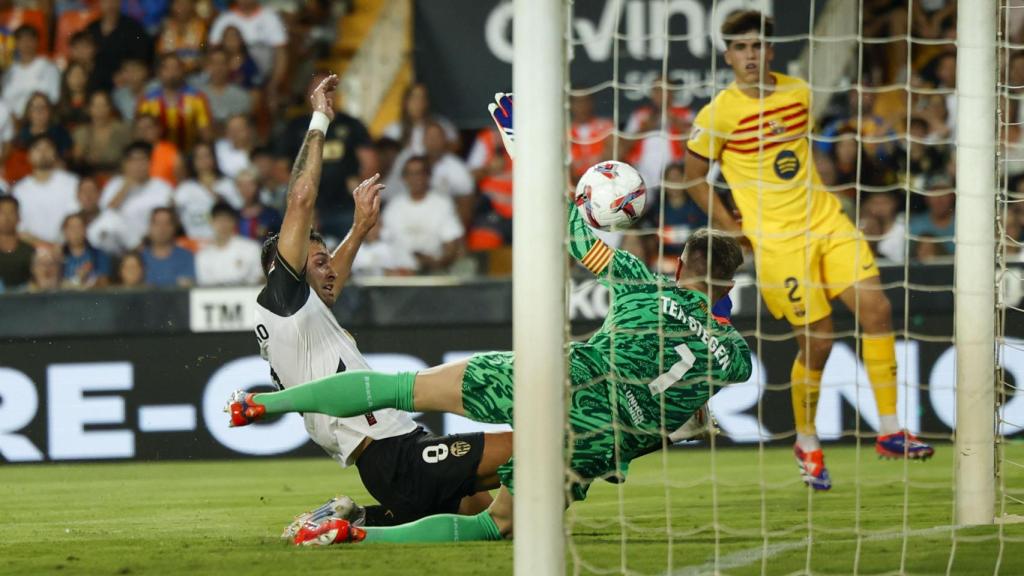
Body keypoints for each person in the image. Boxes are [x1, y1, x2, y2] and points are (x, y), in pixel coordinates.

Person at [227, 136, 750, 547]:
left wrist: (527, 151)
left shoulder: (642, 282)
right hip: (596, 432)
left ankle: (300, 451)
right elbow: (712, 336)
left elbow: (574, 234)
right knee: (500, 521)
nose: (325, 268)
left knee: (401, 388)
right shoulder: (735, 359)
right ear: (729, 287)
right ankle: (358, 526)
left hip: (556, 378)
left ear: (677, 266)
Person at [231, 75, 514, 533]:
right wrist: (320, 118)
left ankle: (356, 518)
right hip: (396, 451)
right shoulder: (281, 296)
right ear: (283, 267)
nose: (329, 270)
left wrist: (360, 228)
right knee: (535, 450)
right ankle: (356, 522)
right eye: (317, 261)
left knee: (499, 521)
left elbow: (331, 279)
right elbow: (301, 198)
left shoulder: (298, 316)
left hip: (391, 459)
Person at [682, 10, 934, 492]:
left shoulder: (798, 92)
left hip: (826, 222)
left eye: (758, 46)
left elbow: (796, 155)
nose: (750, 55)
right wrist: (730, 228)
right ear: (728, 55)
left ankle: (889, 430)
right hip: (778, 243)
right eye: (741, 47)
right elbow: (693, 176)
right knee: (819, 343)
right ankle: (807, 440)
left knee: (878, 310)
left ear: (770, 50)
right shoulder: (718, 115)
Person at [380, 156, 464, 274]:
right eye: (410, 174)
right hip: (399, 275)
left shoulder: (442, 204)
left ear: (428, 176)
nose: (415, 178)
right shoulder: (394, 206)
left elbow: (452, 243)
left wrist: (437, 263)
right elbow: (383, 242)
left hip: (434, 273)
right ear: (404, 178)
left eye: (419, 173)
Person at [91, 141, 174, 253]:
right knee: (107, 221)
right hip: (118, 247)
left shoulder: (163, 187)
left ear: (150, 163)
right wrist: (125, 187)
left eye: (142, 160)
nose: (138, 165)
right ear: (125, 164)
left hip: (150, 244)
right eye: (133, 161)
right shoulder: (115, 184)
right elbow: (106, 213)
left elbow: (170, 220)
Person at [11, 135, 80, 244]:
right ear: (28, 156)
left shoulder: (72, 183)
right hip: (32, 248)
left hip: (67, 247)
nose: (43, 153)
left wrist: (59, 247)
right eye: (37, 149)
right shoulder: (19, 190)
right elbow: (19, 229)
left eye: (48, 148)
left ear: (55, 154)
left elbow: (77, 219)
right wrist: (44, 246)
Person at [137, 54, 212, 151]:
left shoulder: (197, 98)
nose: (172, 72)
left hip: (189, 155)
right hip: (156, 155)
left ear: (183, 71)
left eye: (176, 68)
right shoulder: (147, 100)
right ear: (159, 73)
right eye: (167, 68)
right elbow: (139, 133)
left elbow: (206, 133)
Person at [174, 141, 241, 240]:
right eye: (199, 157)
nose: (203, 161)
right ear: (193, 162)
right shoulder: (185, 188)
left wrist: (223, 201)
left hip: (224, 241)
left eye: (207, 156)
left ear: (214, 158)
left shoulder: (228, 184)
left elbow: (239, 211)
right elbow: (175, 217)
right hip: (194, 242)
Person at [87, 0, 154, 91]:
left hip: (124, 85)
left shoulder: (133, 28)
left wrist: (126, 74)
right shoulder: (92, 28)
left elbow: (142, 58)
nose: (110, 5)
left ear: (120, 3)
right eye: (106, 1)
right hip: (95, 83)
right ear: (100, 3)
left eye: (113, 1)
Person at [195, 202, 262, 286]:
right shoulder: (203, 255)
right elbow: (204, 286)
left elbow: (260, 279)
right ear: (211, 222)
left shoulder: (252, 248)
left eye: (227, 220)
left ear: (234, 222)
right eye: (219, 220)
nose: (223, 225)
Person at [2, 25, 60, 119]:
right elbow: (4, 101)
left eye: (30, 39)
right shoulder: (9, 72)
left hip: (39, 120)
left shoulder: (48, 67)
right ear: (16, 44)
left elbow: (53, 98)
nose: (26, 44)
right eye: (22, 40)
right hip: (11, 121)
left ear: (37, 42)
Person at [71, 90, 132, 175]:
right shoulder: (80, 132)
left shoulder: (122, 130)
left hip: (118, 176)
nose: (100, 109)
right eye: (96, 106)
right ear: (89, 109)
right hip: (88, 177)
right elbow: (75, 160)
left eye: (104, 105)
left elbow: (131, 156)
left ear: (110, 108)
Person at [196, 47, 252, 128]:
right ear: (207, 66)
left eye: (222, 63)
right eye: (214, 63)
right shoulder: (197, 94)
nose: (218, 68)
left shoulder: (242, 95)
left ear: (229, 66)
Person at [140, 207, 194, 287]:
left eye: (167, 224)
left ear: (174, 227)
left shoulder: (186, 257)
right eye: (157, 223)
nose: (162, 229)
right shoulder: (139, 258)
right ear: (150, 227)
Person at [61, 212, 112, 289]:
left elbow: (104, 282)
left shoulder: (99, 255)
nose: (76, 232)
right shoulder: (57, 257)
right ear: (65, 231)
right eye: (72, 228)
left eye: (79, 227)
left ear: (85, 230)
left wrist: (89, 281)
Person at [236, 167, 282, 240]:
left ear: (259, 186)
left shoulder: (271, 215)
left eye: (250, 184)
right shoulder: (234, 216)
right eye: (241, 185)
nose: (246, 189)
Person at [0, 195, 33, 291]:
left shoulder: (29, 250)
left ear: (19, 217)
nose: (6, 218)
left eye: (11, 212)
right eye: (2, 212)